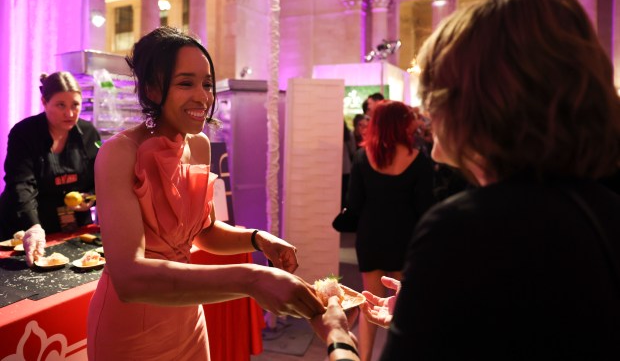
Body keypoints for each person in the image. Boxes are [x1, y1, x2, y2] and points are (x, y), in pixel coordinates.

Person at [311, 0, 620, 360]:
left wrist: (338, 337)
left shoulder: (461, 230)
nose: (426, 109)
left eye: (437, 90)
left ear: (477, 103)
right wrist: (430, 308)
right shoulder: (603, 209)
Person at [87, 26, 324, 361]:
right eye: (186, 83)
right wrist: (251, 278)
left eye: (207, 83)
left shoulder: (198, 145)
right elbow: (128, 277)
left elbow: (205, 232)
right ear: (153, 89)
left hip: (187, 321)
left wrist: (258, 239)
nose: (203, 96)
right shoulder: (119, 153)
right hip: (131, 333)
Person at [345, 99, 435, 361]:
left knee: (369, 305)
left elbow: (353, 204)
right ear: (401, 124)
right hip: (406, 239)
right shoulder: (418, 160)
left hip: (371, 237)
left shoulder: (363, 157)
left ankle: (363, 359)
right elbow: (425, 207)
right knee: (404, 304)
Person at [0, 71, 100, 266]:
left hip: (73, 226)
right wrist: (33, 226)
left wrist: (90, 197)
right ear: (44, 102)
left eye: (75, 105)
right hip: (27, 222)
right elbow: (20, 184)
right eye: (61, 105)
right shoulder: (24, 133)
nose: (70, 113)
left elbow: (101, 177)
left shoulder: (89, 133)